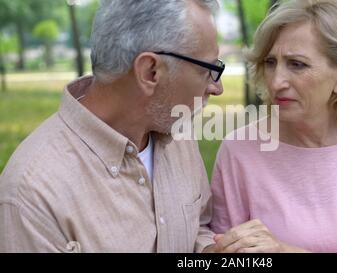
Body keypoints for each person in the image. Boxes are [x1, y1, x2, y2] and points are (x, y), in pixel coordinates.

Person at [0, 0, 224, 253]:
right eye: (208, 69)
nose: (217, 88)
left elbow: (200, 228)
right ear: (151, 71)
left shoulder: (177, 131)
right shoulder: (33, 195)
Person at [210, 0, 337, 253]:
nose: (276, 82)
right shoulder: (239, 149)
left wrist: (285, 251)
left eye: (297, 64)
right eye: (270, 62)